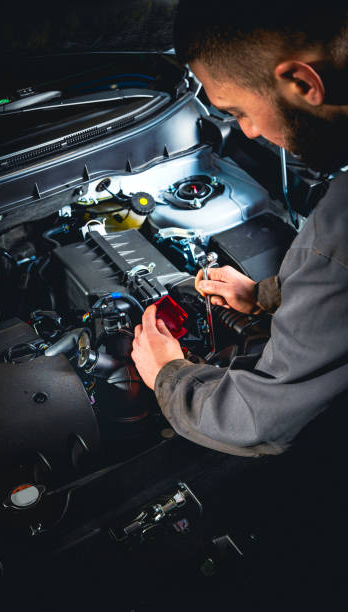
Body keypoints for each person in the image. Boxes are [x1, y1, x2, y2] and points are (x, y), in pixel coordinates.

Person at [131, 0, 348, 457]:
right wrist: (265, 295)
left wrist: (168, 373)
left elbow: (259, 418)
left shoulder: (339, 228)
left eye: (239, 110)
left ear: (302, 83)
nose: (246, 132)